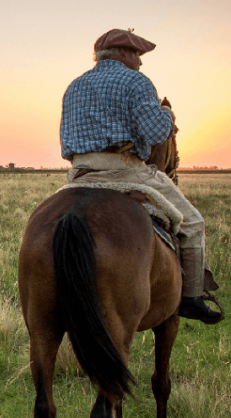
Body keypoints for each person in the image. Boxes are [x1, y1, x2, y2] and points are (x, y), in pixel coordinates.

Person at [60, 28, 222, 324]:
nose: (141, 62)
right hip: (126, 169)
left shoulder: (75, 85)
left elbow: (65, 142)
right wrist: (167, 115)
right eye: (137, 54)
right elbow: (157, 133)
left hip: (81, 173)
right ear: (123, 54)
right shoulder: (137, 81)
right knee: (193, 223)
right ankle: (192, 298)